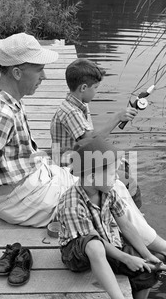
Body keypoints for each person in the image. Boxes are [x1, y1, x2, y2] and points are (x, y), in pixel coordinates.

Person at [0, 32, 166, 277]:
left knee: (112, 183)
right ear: (16, 72)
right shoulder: (0, 115)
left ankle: (152, 245)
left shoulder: (5, 100)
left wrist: (33, 162)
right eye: (39, 70)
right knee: (109, 191)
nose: (44, 77)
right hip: (21, 197)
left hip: (37, 178)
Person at [57, 137, 162, 299]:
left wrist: (147, 255)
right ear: (92, 175)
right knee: (95, 245)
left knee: (149, 267)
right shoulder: (71, 202)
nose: (116, 178)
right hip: (79, 253)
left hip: (108, 243)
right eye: (112, 173)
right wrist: (125, 258)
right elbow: (93, 241)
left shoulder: (109, 193)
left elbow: (126, 226)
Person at [50, 58, 142, 207]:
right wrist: (118, 117)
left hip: (78, 158)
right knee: (130, 184)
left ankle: (124, 211)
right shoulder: (71, 112)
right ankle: (132, 216)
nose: (96, 92)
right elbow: (91, 143)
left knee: (124, 166)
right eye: (96, 88)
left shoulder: (78, 107)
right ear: (84, 88)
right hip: (69, 167)